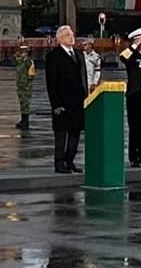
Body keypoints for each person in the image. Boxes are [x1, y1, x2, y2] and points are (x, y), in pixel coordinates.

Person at [45, 26, 88, 174]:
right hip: (62, 102)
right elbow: (51, 82)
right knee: (61, 133)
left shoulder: (78, 55)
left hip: (78, 101)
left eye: (72, 34)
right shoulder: (53, 56)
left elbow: (83, 77)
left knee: (75, 132)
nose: (72, 37)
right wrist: (55, 104)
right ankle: (59, 163)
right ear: (60, 38)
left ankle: (70, 161)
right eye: (68, 35)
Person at [119, 27, 141, 167]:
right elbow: (123, 57)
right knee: (135, 127)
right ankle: (134, 156)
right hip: (135, 94)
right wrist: (134, 45)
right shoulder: (132, 55)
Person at [14, 45, 36, 130]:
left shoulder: (29, 62)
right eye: (21, 52)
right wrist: (16, 54)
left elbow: (32, 74)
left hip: (26, 86)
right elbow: (14, 61)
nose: (22, 54)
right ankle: (23, 120)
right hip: (20, 85)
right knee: (22, 103)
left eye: (23, 52)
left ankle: (26, 121)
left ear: (27, 53)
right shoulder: (20, 61)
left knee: (26, 104)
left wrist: (27, 82)